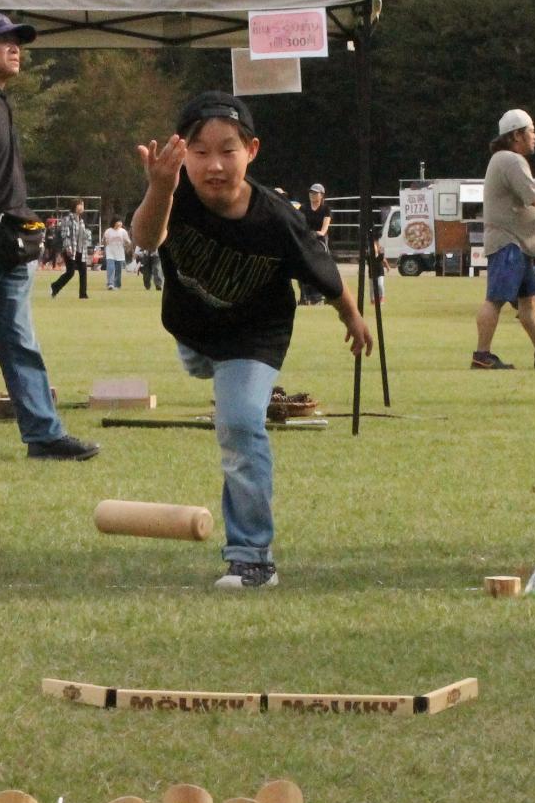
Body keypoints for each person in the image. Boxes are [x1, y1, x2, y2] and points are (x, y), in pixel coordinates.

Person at [132, 92, 372, 592]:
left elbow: (326, 277)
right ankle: (220, 377)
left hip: (255, 335)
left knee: (239, 423)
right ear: (181, 153)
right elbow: (146, 240)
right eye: (199, 152)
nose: (214, 165)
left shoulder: (278, 219)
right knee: (205, 370)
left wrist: (353, 318)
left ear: (252, 151)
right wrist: (160, 188)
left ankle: (252, 558)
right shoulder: (172, 194)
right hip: (192, 330)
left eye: (228, 151)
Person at [0, 11, 99, 461]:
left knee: (20, 342)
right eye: (2, 40)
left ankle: (44, 434)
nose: (15, 48)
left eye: (17, 41)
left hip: (12, 240)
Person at [472, 109, 535, 369]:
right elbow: (532, 197)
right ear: (516, 134)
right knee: (495, 298)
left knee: (528, 300)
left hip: (518, 244)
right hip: (510, 243)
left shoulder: (504, 159)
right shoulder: (510, 160)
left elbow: (525, 200)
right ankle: (482, 355)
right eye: (531, 130)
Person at [50, 199, 91, 298]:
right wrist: (68, 248)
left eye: (83, 205)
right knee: (70, 272)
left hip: (81, 249)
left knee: (83, 271)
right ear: (74, 206)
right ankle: (55, 286)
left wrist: (87, 235)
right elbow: (65, 235)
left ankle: (83, 294)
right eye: (80, 205)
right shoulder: (67, 219)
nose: (82, 207)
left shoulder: (82, 220)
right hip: (70, 249)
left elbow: (86, 234)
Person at [299, 182, 332, 304]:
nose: (312, 195)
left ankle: (325, 295)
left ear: (322, 195)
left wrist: (318, 233)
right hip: (306, 237)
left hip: (319, 239)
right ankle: (304, 297)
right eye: (311, 192)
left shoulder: (326, 209)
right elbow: (300, 224)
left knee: (326, 264)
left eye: (315, 193)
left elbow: (324, 229)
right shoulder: (303, 208)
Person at [101, 216, 131, 289]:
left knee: (118, 269)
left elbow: (128, 241)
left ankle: (117, 284)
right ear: (114, 222)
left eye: (121, 222)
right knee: (110, 267)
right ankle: (110, 283)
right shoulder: (108, 231)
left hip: (119, 253)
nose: (120, 223)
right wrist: (105, 242)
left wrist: (127, 246)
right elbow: (103, 241)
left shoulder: (123, 231)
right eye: (119, 221)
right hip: (110, 252)